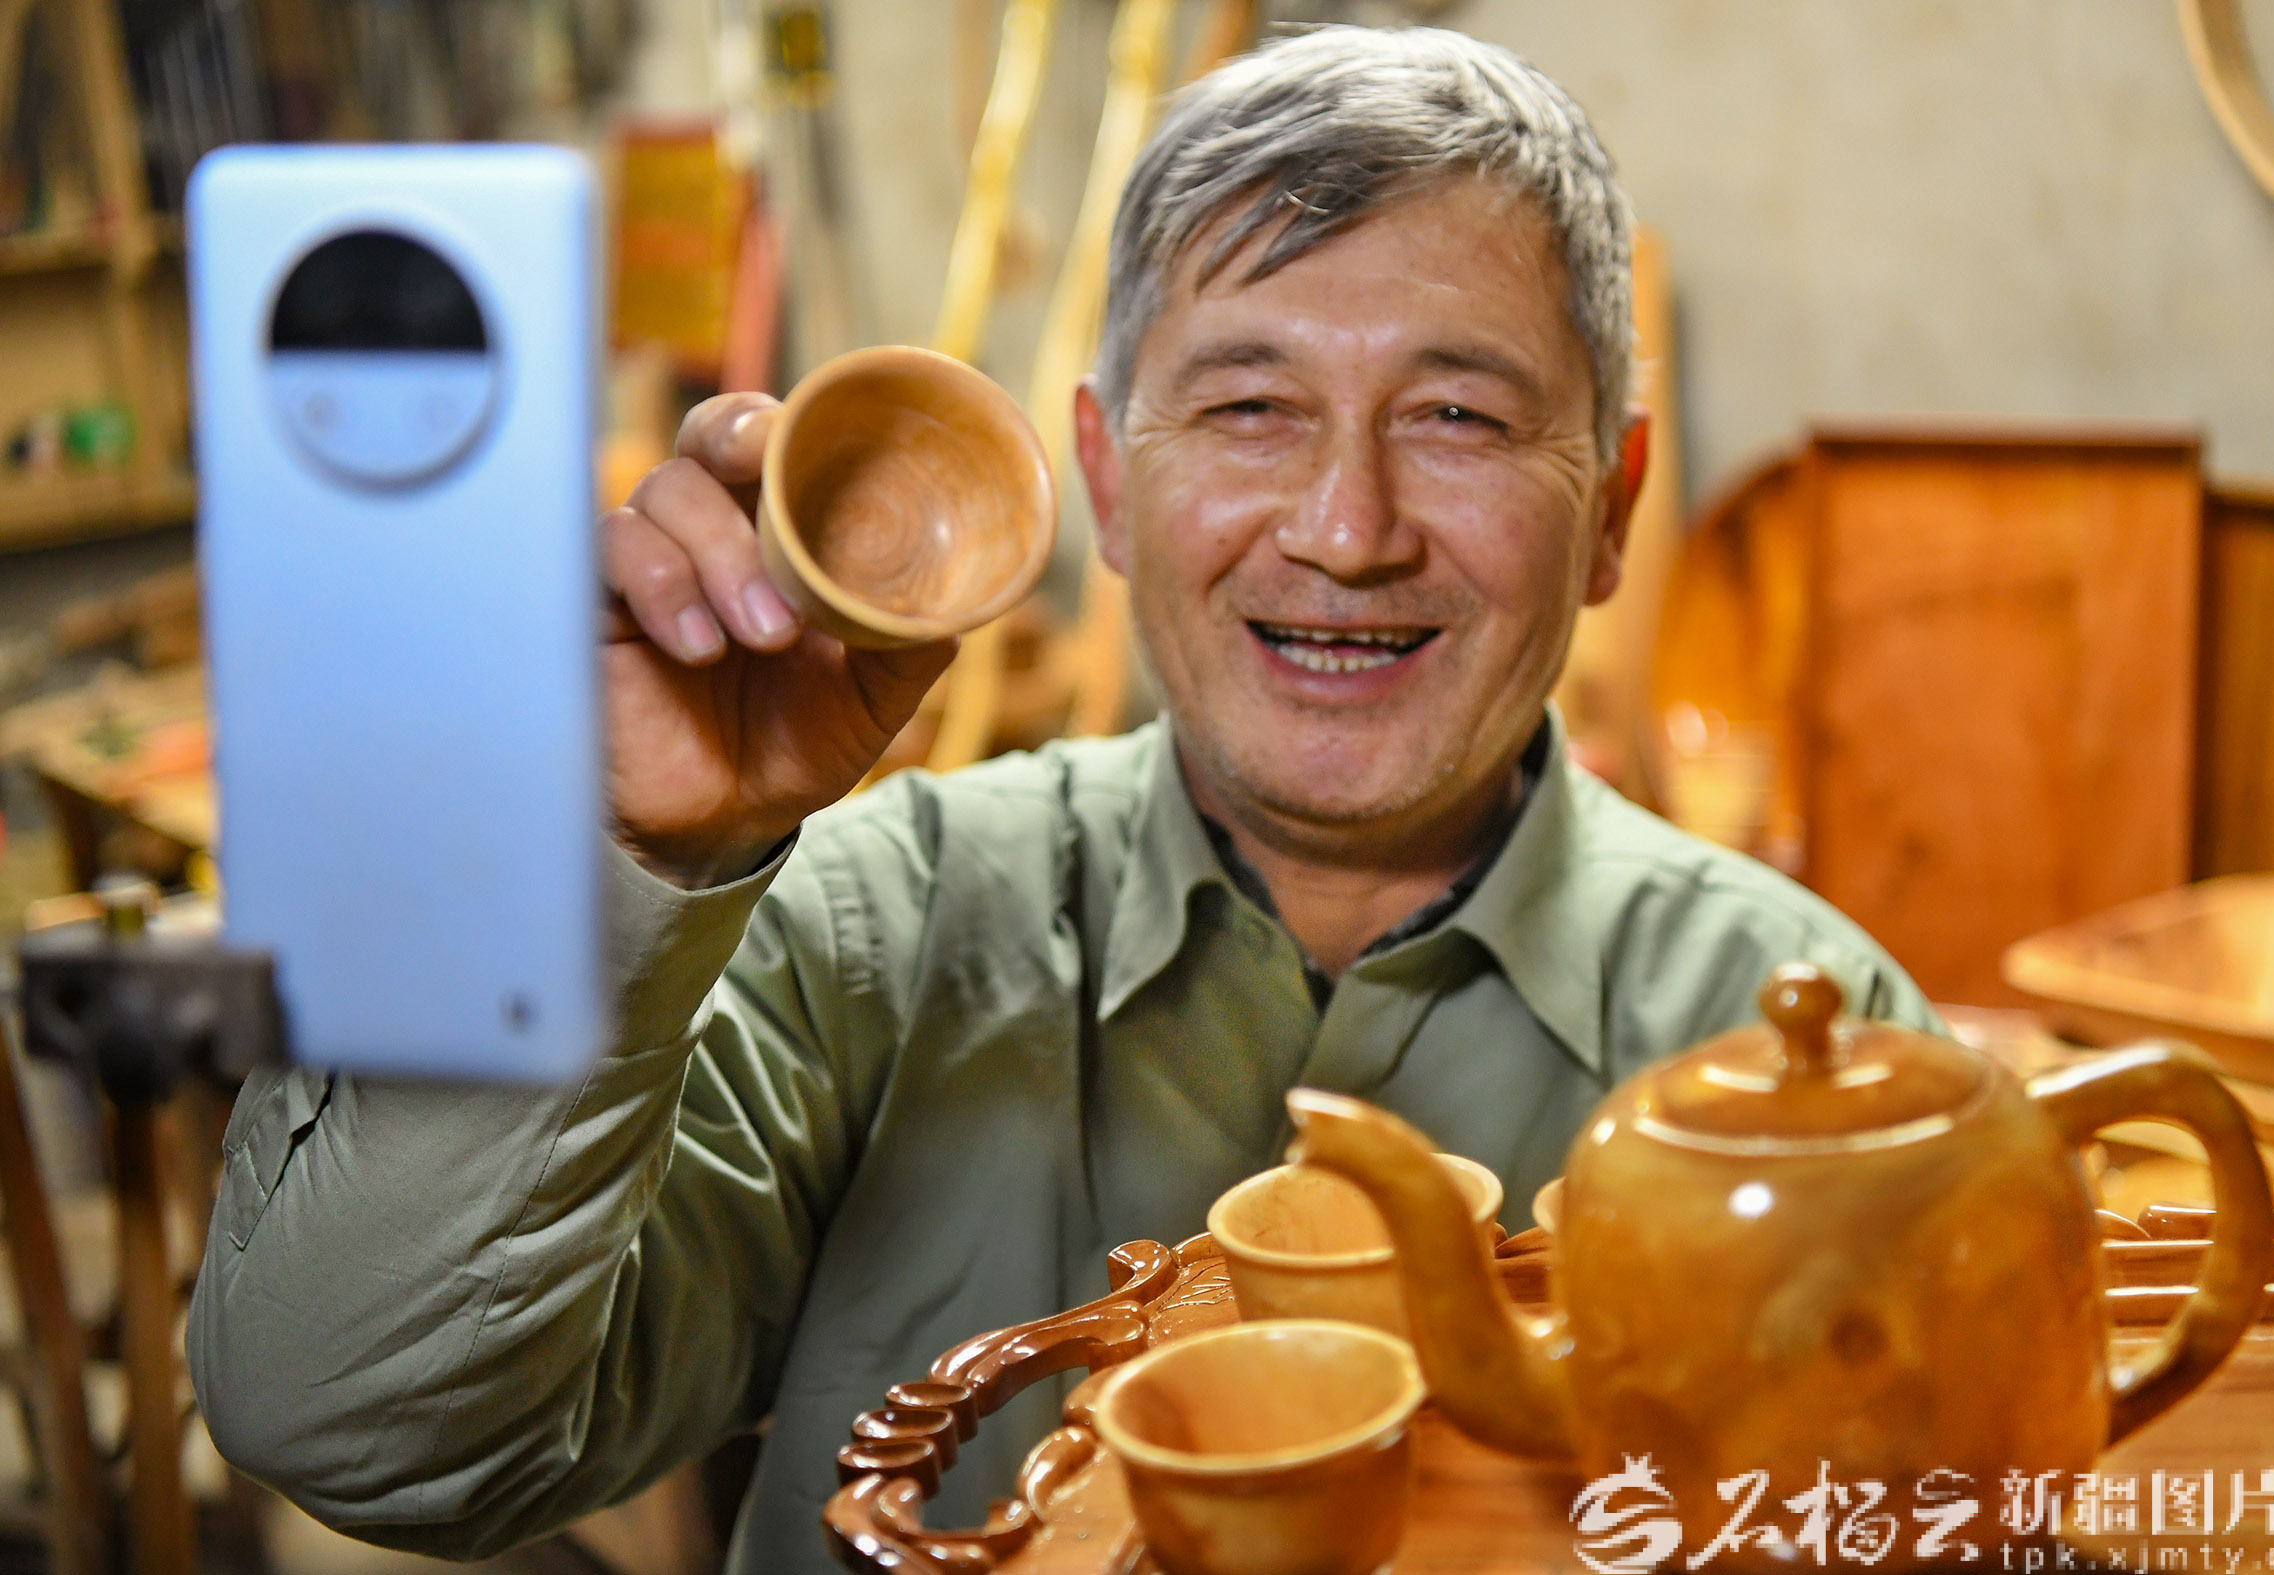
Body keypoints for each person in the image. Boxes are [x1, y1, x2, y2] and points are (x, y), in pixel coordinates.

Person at [188, 25, 1938, 1573]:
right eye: (1247, 407)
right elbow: (354, 1429)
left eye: (1459, 420)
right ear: (1105, 478)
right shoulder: (861, 936)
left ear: (1612, 504)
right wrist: (600, 864)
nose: (1346, 531)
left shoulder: (1808, 1044)